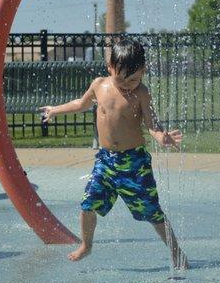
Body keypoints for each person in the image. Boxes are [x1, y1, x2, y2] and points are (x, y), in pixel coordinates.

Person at [39, 39, 189, 269]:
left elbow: (152, 124)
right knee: (88, 205)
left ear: (143, 71)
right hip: (106, 161)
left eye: (135, 78)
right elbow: (81, 103)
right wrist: (55, 110)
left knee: (152, 212)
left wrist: (162, 137)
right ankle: (86, 246)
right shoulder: (99, 85)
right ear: (110, 66)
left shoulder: (142, 93)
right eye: (123, 79)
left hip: (135, 163)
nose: (129, 84)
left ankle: (177, 252)